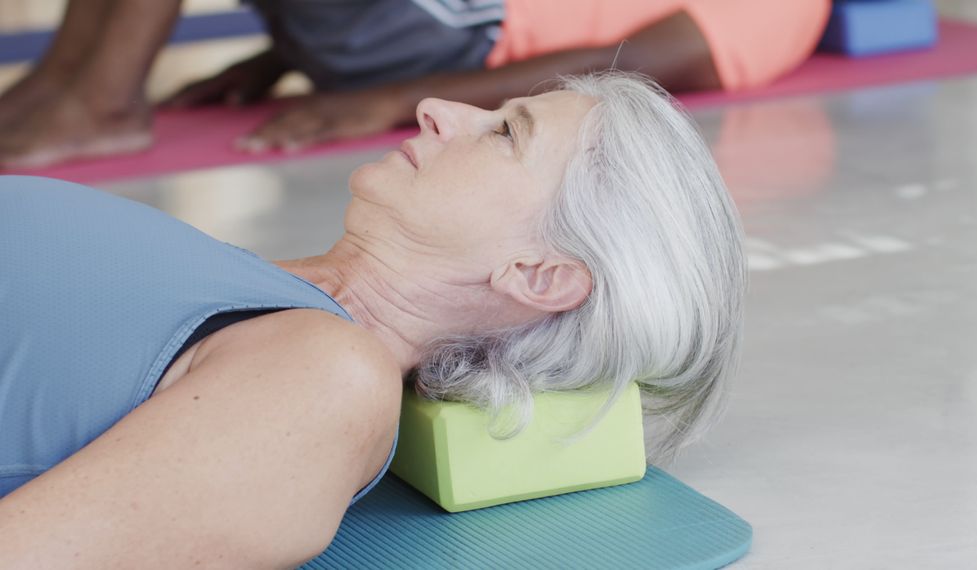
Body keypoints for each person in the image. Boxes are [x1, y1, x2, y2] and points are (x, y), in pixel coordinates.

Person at [0, 72, 746, 567]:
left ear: (539, 273)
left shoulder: (324, 380)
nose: (437, 109)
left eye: (504, 133)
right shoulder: (259, 288)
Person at [0, 0, 830, 167]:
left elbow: (647, 63)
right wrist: (276, 59)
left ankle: (100, 101)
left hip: (451, 44)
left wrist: (386, 101)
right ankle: (61, 84)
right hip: (424, 25)